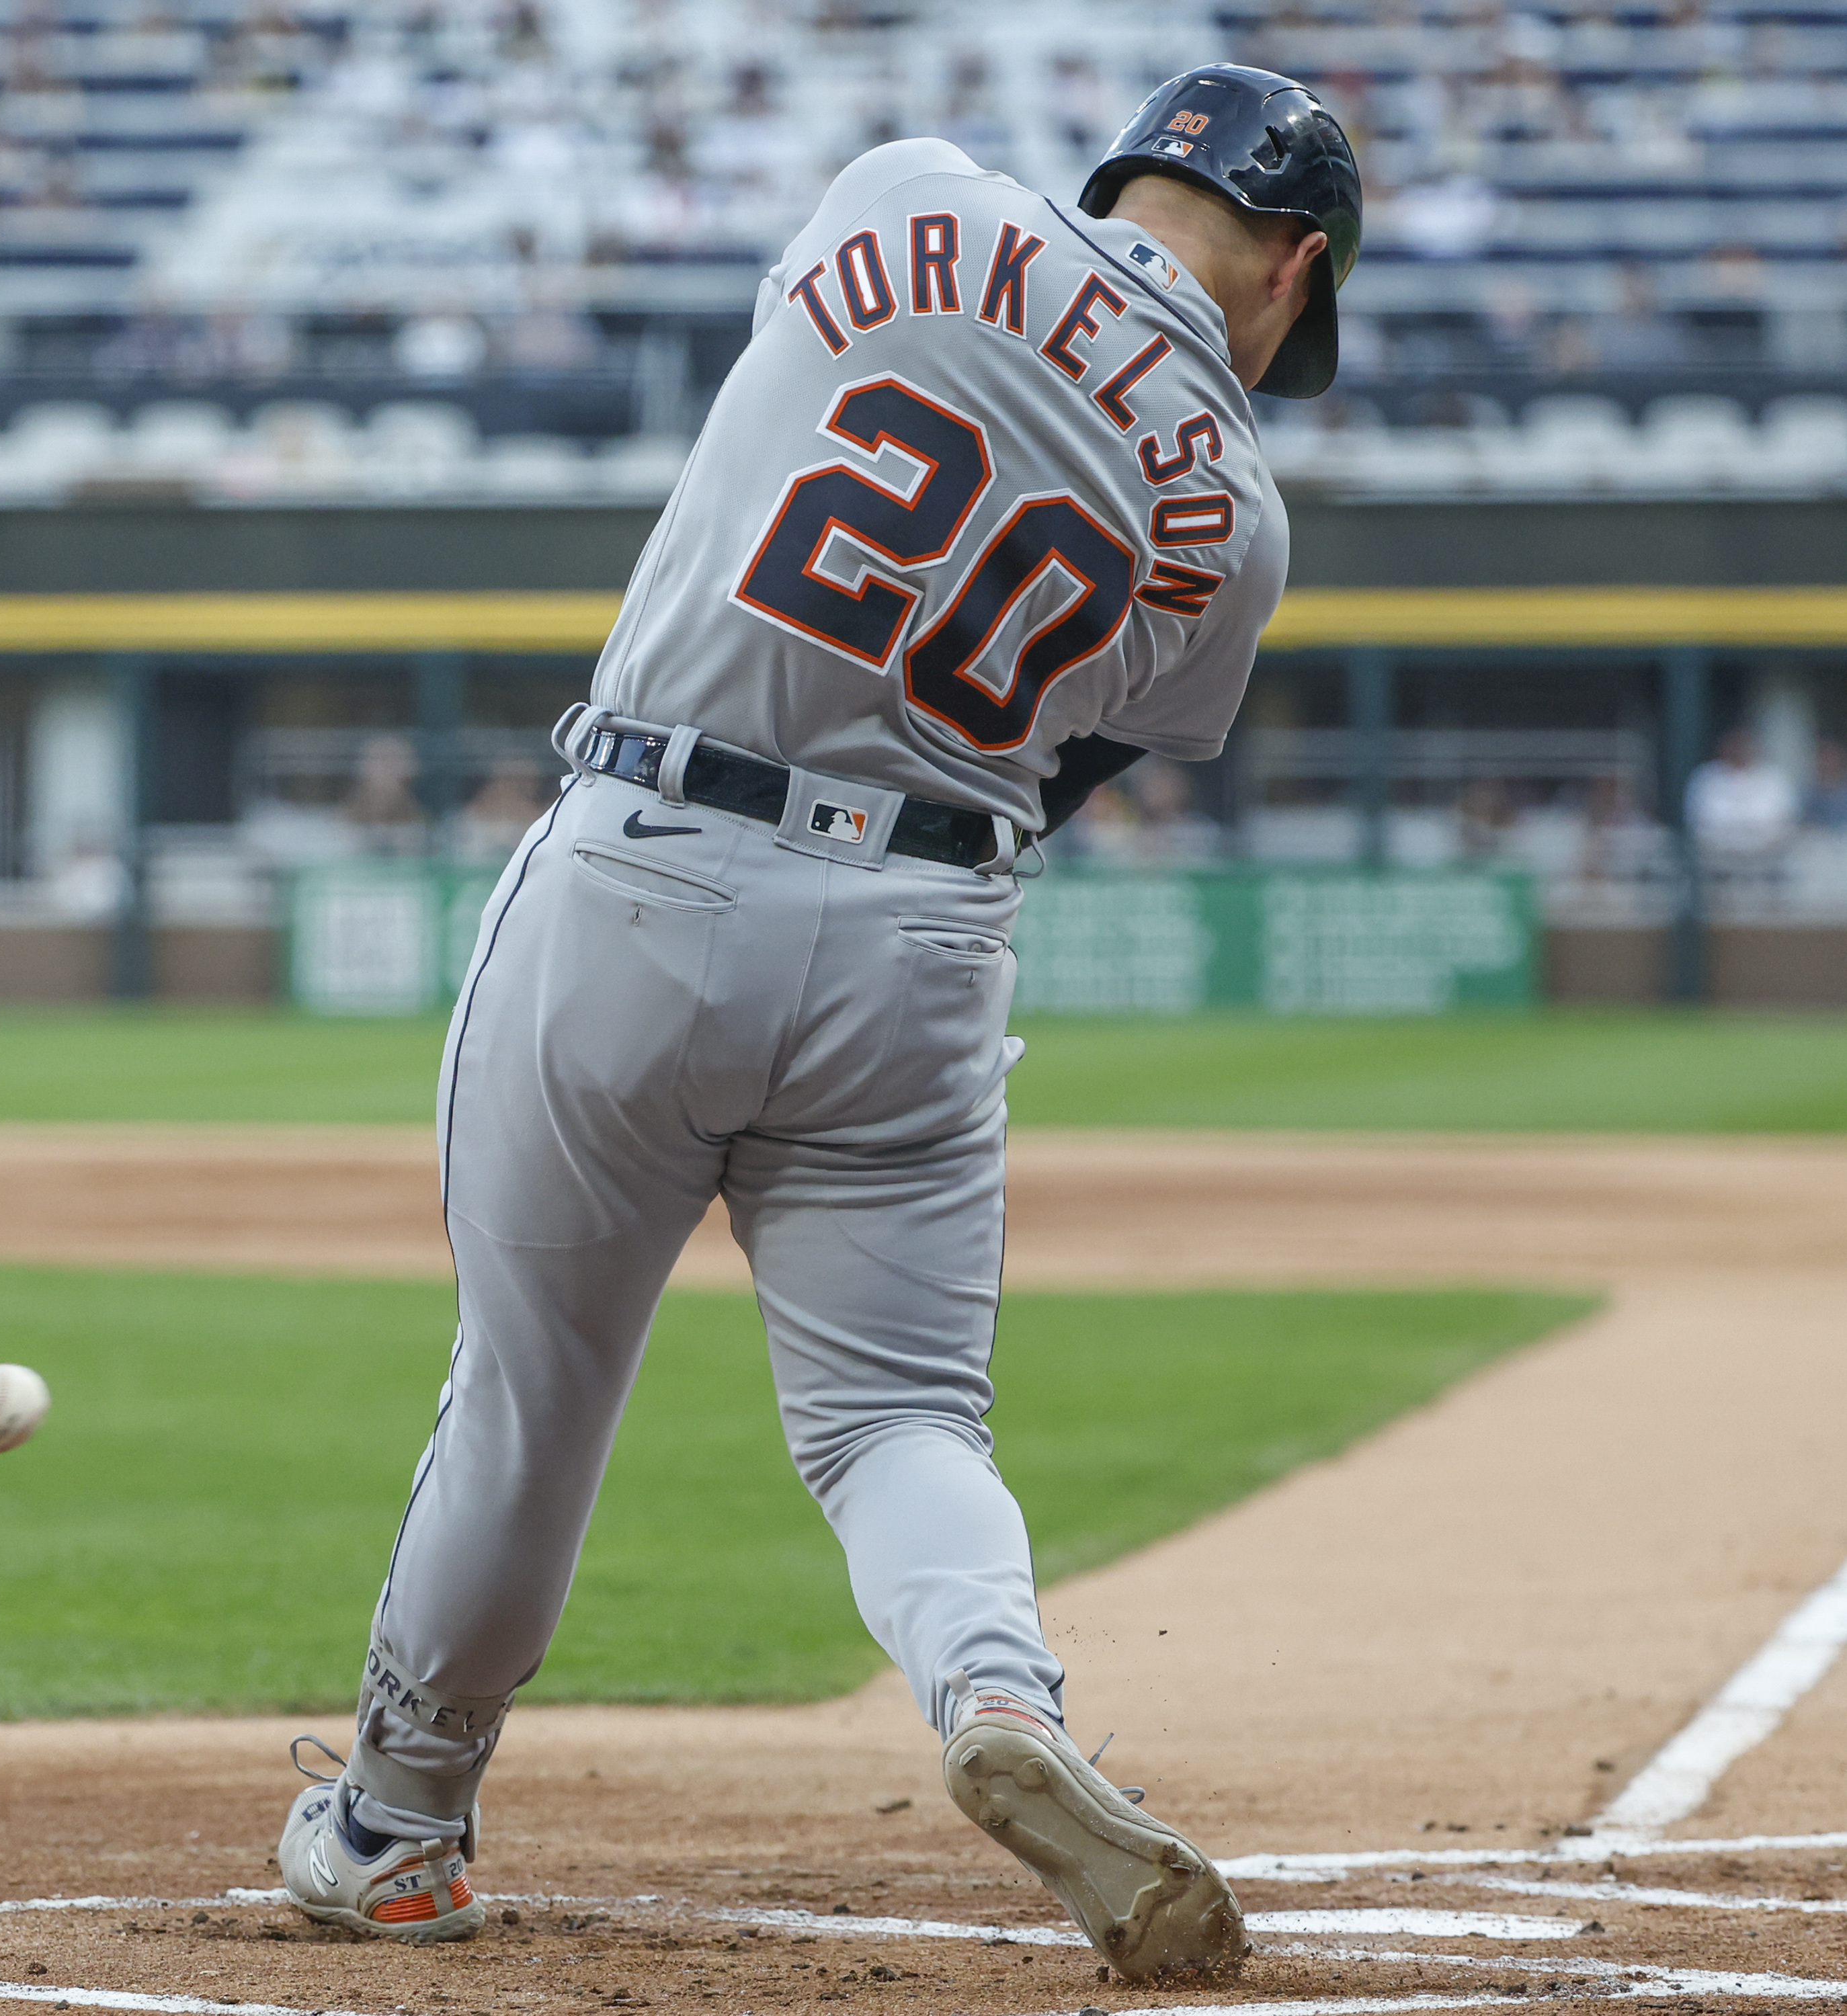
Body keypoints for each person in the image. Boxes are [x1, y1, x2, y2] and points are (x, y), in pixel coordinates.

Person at [274, 66, 1357, 1989]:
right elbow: (1065, 759)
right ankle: (994, 1694)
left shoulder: (908, 191)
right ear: (1289, 264)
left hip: (648, 849)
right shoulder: (1242, 516)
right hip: (924, 929)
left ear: (1124, 177)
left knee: (530, 1400)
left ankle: (398, 1824)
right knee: (896, 1421)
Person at [1684, 726, 1799, 868]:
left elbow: (1783, 823)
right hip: (1715, 862)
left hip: (1767, 862)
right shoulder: (1707, 777)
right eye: (1734, 744)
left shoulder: (1773, 778)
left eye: (1744, 744)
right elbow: (1700, 823)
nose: (1739, 750)